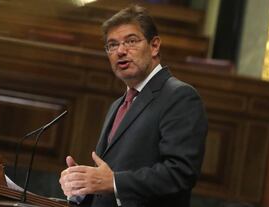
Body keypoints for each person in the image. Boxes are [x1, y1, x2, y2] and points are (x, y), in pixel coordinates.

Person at [59, 5, 208, 207]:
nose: (120, 51)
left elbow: (180, 174)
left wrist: (112, 182)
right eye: (112, 45)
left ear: (154, 46)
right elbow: (108, 179)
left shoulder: (180, 96)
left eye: (130, 41)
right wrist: (83, 186)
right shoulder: (117, 105)